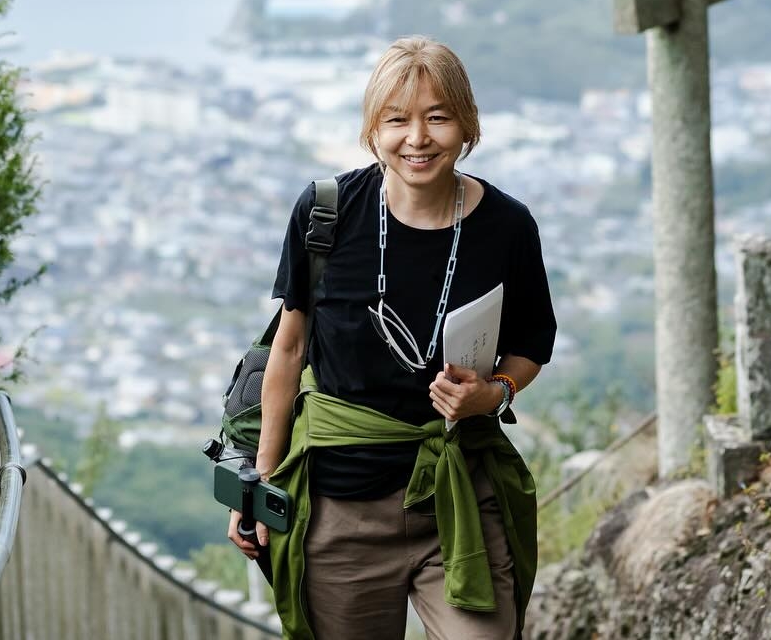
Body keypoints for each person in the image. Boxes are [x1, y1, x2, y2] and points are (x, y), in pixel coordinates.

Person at [228, 35, 556, 640]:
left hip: (458, 497)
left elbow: (534, 339)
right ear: (372, 130)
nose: (418, 138)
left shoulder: (507, 226)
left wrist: (496, 392)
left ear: (467, 125)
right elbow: (289, 348)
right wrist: (261, 483)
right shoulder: (327, 214)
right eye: (397, 120)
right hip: (341, 509)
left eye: (438, 117)